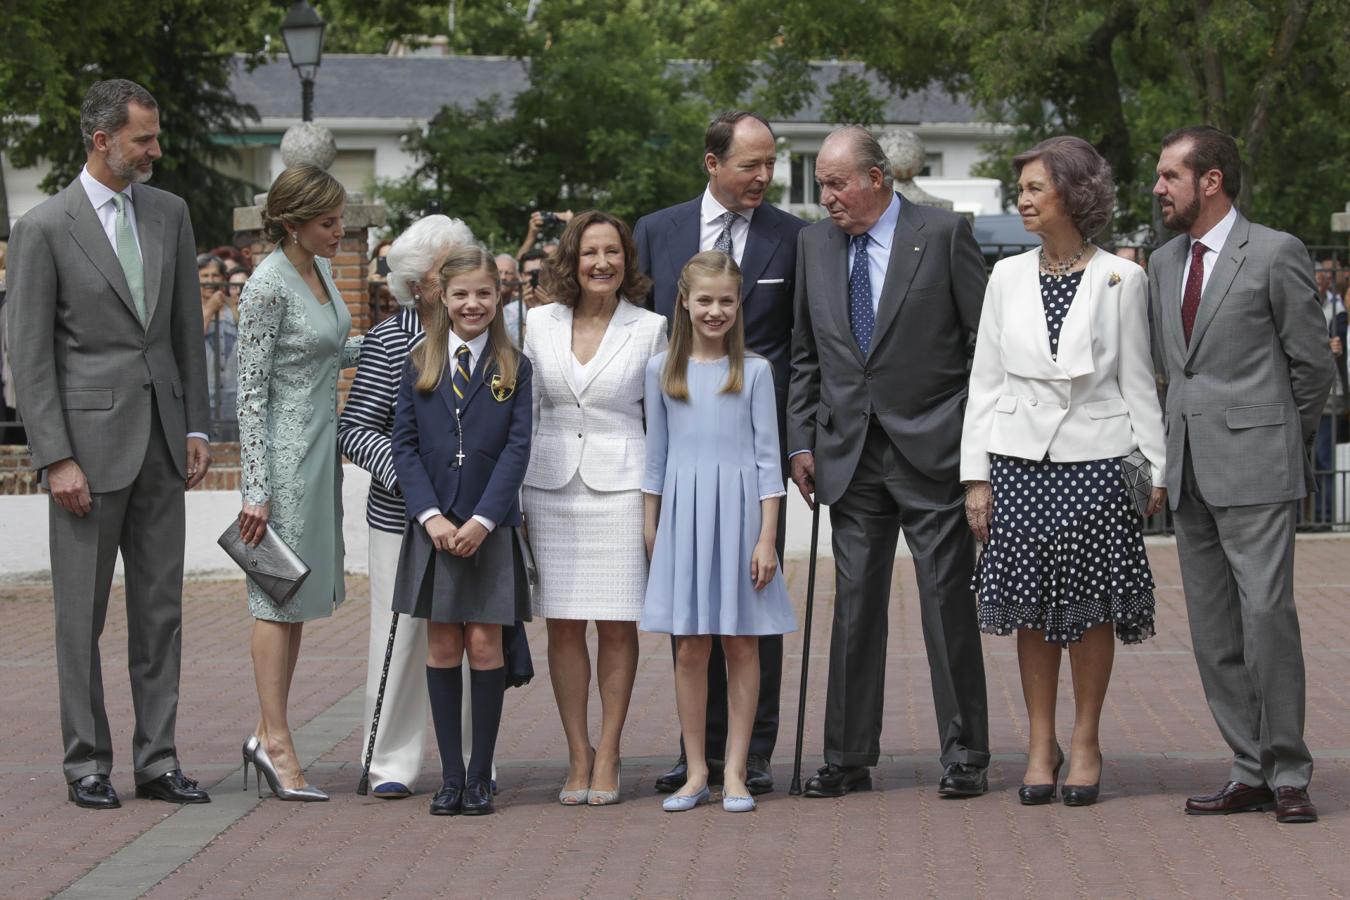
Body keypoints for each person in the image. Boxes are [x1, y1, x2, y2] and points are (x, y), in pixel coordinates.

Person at [5, 79, 212, 809]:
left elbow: (188, 329)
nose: (156, 150)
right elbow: (29, 356)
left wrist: (194, 425)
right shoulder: (43, 229)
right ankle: (86, 763)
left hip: (161, 446)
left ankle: (157, 761)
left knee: (161, 613)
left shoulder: (170, 214)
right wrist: (54, 455)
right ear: (102, 140)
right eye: (144, 139)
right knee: (79, 619)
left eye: (155, 137)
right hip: (85, 455)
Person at [961, 136, 1167, 807]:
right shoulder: (1006, 277)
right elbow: (984, 383)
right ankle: (1040, 745)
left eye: (1032, 189)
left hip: (1098, 464)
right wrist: (976, 477)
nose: (1021, 200)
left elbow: (1139, 380)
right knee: (1030, 608)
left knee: (1093, 609)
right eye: (1019, 190)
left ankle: (1085, 741)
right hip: (1018, 465)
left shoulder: (1121, 278)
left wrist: (1154, 470)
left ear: (1072, 194)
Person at [787, 125, 991, 799]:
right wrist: (802, 441)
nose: (826, 196)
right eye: (820, 182)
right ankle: (847, 757)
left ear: (879, 178)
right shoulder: (813, 243)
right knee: (854, 607)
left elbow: (981, 348)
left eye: (836, 182)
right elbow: (804, 355)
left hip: (932, 450)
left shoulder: (942, 235)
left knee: (944, 604)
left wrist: (974, 449)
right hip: (847, 455)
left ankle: (965, 754)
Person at [1150, 125, 1333, 823]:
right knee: (1214, 632)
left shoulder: (1276, 252)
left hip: (1257, 468)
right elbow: (1172, 369)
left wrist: (1279, 438)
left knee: (1266, 620)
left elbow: (1312, 368)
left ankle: (1289, 770)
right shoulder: (1165, 265)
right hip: (1190, 471)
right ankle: (1247, 766)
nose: (1159, 187)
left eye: (1170, 175)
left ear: (1212, 180)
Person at [634, 110, 806, 795]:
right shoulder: (656, 232)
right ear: (712, 163)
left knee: (750, 625)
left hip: (750, 458)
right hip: (683, 459)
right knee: (690, 630)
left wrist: (803, 446)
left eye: (771, 164)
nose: (763, 177)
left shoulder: (794, 238)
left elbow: (802, 342)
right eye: (749, 165)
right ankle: (693, 756)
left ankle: (750, 755)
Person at [521, 210, 667, 806]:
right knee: (561, 626)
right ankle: (576, 753)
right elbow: (522, 418)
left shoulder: (652, 328)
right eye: (589, 253)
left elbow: (659, 427)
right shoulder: (536, 324)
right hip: (549, 490)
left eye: (612, 252)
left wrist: (655, 510)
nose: (601, 263)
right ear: (571, 261)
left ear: (627, 260)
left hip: (623, 491)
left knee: (616, 624)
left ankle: (608, 750)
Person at [390, 244, 533, 817]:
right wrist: (431, 517)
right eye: (461, 294)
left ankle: (480, 775)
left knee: (484, 643)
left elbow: (518, 449)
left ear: (498, 298)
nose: (472, 304)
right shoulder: (418, 360)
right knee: (445, 645)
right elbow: (402, 445)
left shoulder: (514, 366)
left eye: (483, 293)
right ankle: (449, 776)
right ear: (441, 299)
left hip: (487, 528)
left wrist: (481, 519)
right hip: (435, 531)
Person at [338, 214, 476, 800]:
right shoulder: (391, 340)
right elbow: (356, 429)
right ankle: (389, 762)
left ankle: (471, 764)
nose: (464, 279)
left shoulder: (484, 340)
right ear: (420, 282)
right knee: (399, 637)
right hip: (402, 519)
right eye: (451, 269)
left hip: (472, 525)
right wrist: (417, 487)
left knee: (474, 641)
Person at [235, 164, 362, 802]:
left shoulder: (319, 272)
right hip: (281, 464)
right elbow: (249, 393)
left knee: (299, 598)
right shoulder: (265, 286)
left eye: (340, 220)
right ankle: (279, 743)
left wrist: (390, 344)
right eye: (327, 222)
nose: (340, 230)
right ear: (292, 224)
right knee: (274, 599)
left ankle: (266, 731)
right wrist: (254, 487)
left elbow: (328, 349)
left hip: (319, 453)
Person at [1313, 258, 1347, 525]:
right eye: (1319, 275)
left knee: (1326, 459)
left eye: (1326, 276)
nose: (1322, 280)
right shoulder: (1304, 301)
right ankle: (1320, 516)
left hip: (1334, 395)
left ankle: (1326, 516)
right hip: (1315, 394)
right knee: (1318, 459)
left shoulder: (1337, 312)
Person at [199, 254, 238, 428]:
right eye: (205, 276)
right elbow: (191, 343)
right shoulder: (189, 308)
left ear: (223, 278)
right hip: (205, 398)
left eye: (215, 275)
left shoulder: (233, 309)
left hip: (233, 398)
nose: (210, 280)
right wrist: (209, 309)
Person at [496, 252, 526, 346]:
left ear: (517, 278)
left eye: (508, 273)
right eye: (499, 272)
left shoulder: (522, 306)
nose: (503, 277)